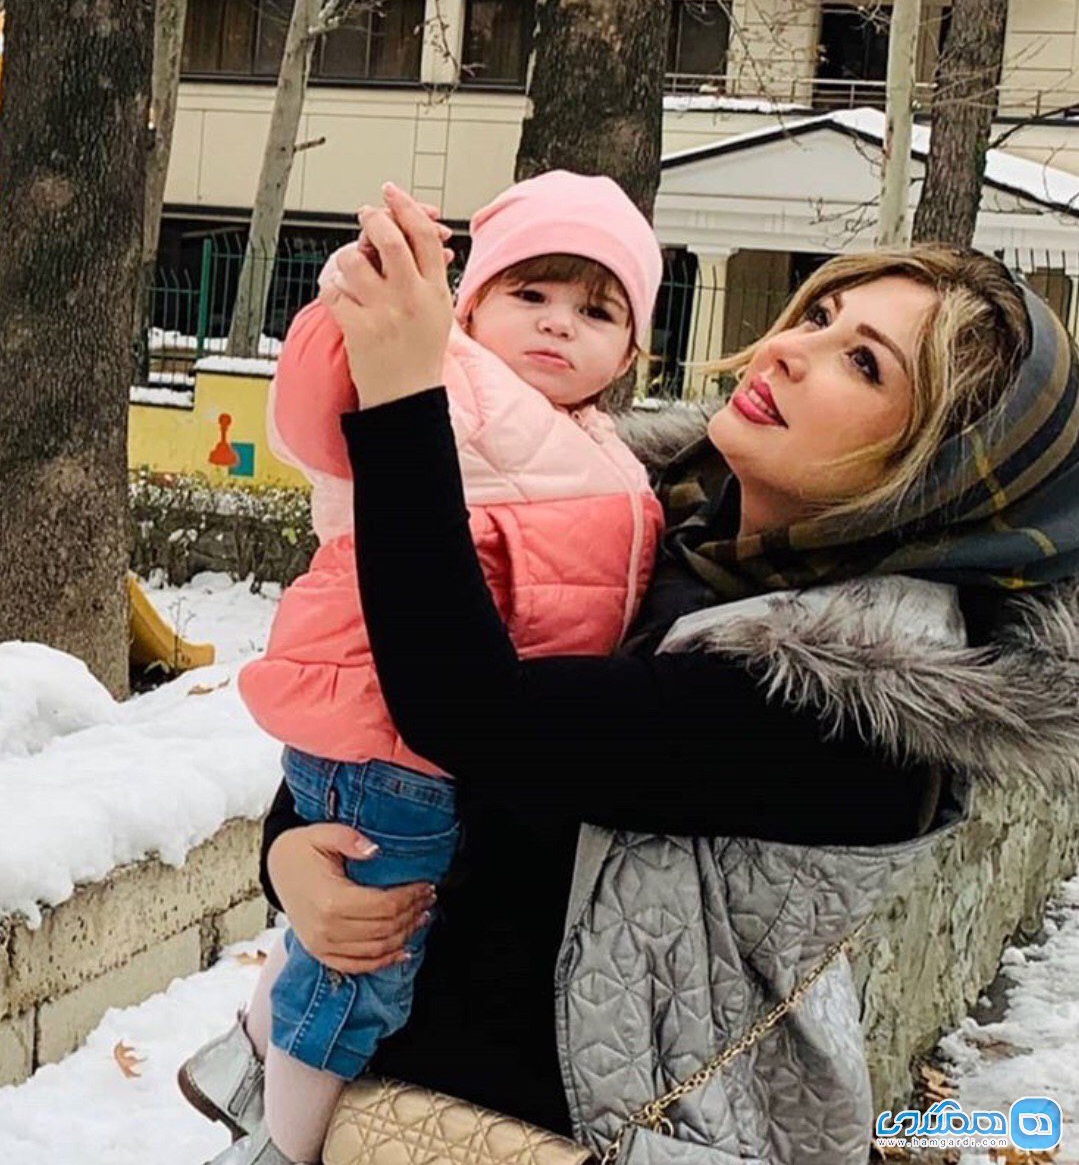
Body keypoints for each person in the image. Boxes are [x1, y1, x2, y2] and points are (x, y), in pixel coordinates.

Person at [183, 185, 1079, 1165]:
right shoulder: (641, 528)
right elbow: (386, 718)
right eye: (819, 314)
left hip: (588, 1130)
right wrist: (292, 852)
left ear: (939, 468)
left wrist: (403, 401)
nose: (789, 348)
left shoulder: (858, 703)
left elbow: (476, 718)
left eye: (862, 362)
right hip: (400, 1101)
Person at [180, 172, 667, 1165]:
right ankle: (282, 1143)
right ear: (468, 305)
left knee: (352, 936)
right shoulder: (449, 381)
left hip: (434, 742)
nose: (557, 323)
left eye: (596, 310)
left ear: (630, 353)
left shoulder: (599, 441)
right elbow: (314, 410)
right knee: (360, 965)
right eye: (529, 293)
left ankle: (246, 1054)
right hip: (389, 728)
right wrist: (358, 298)